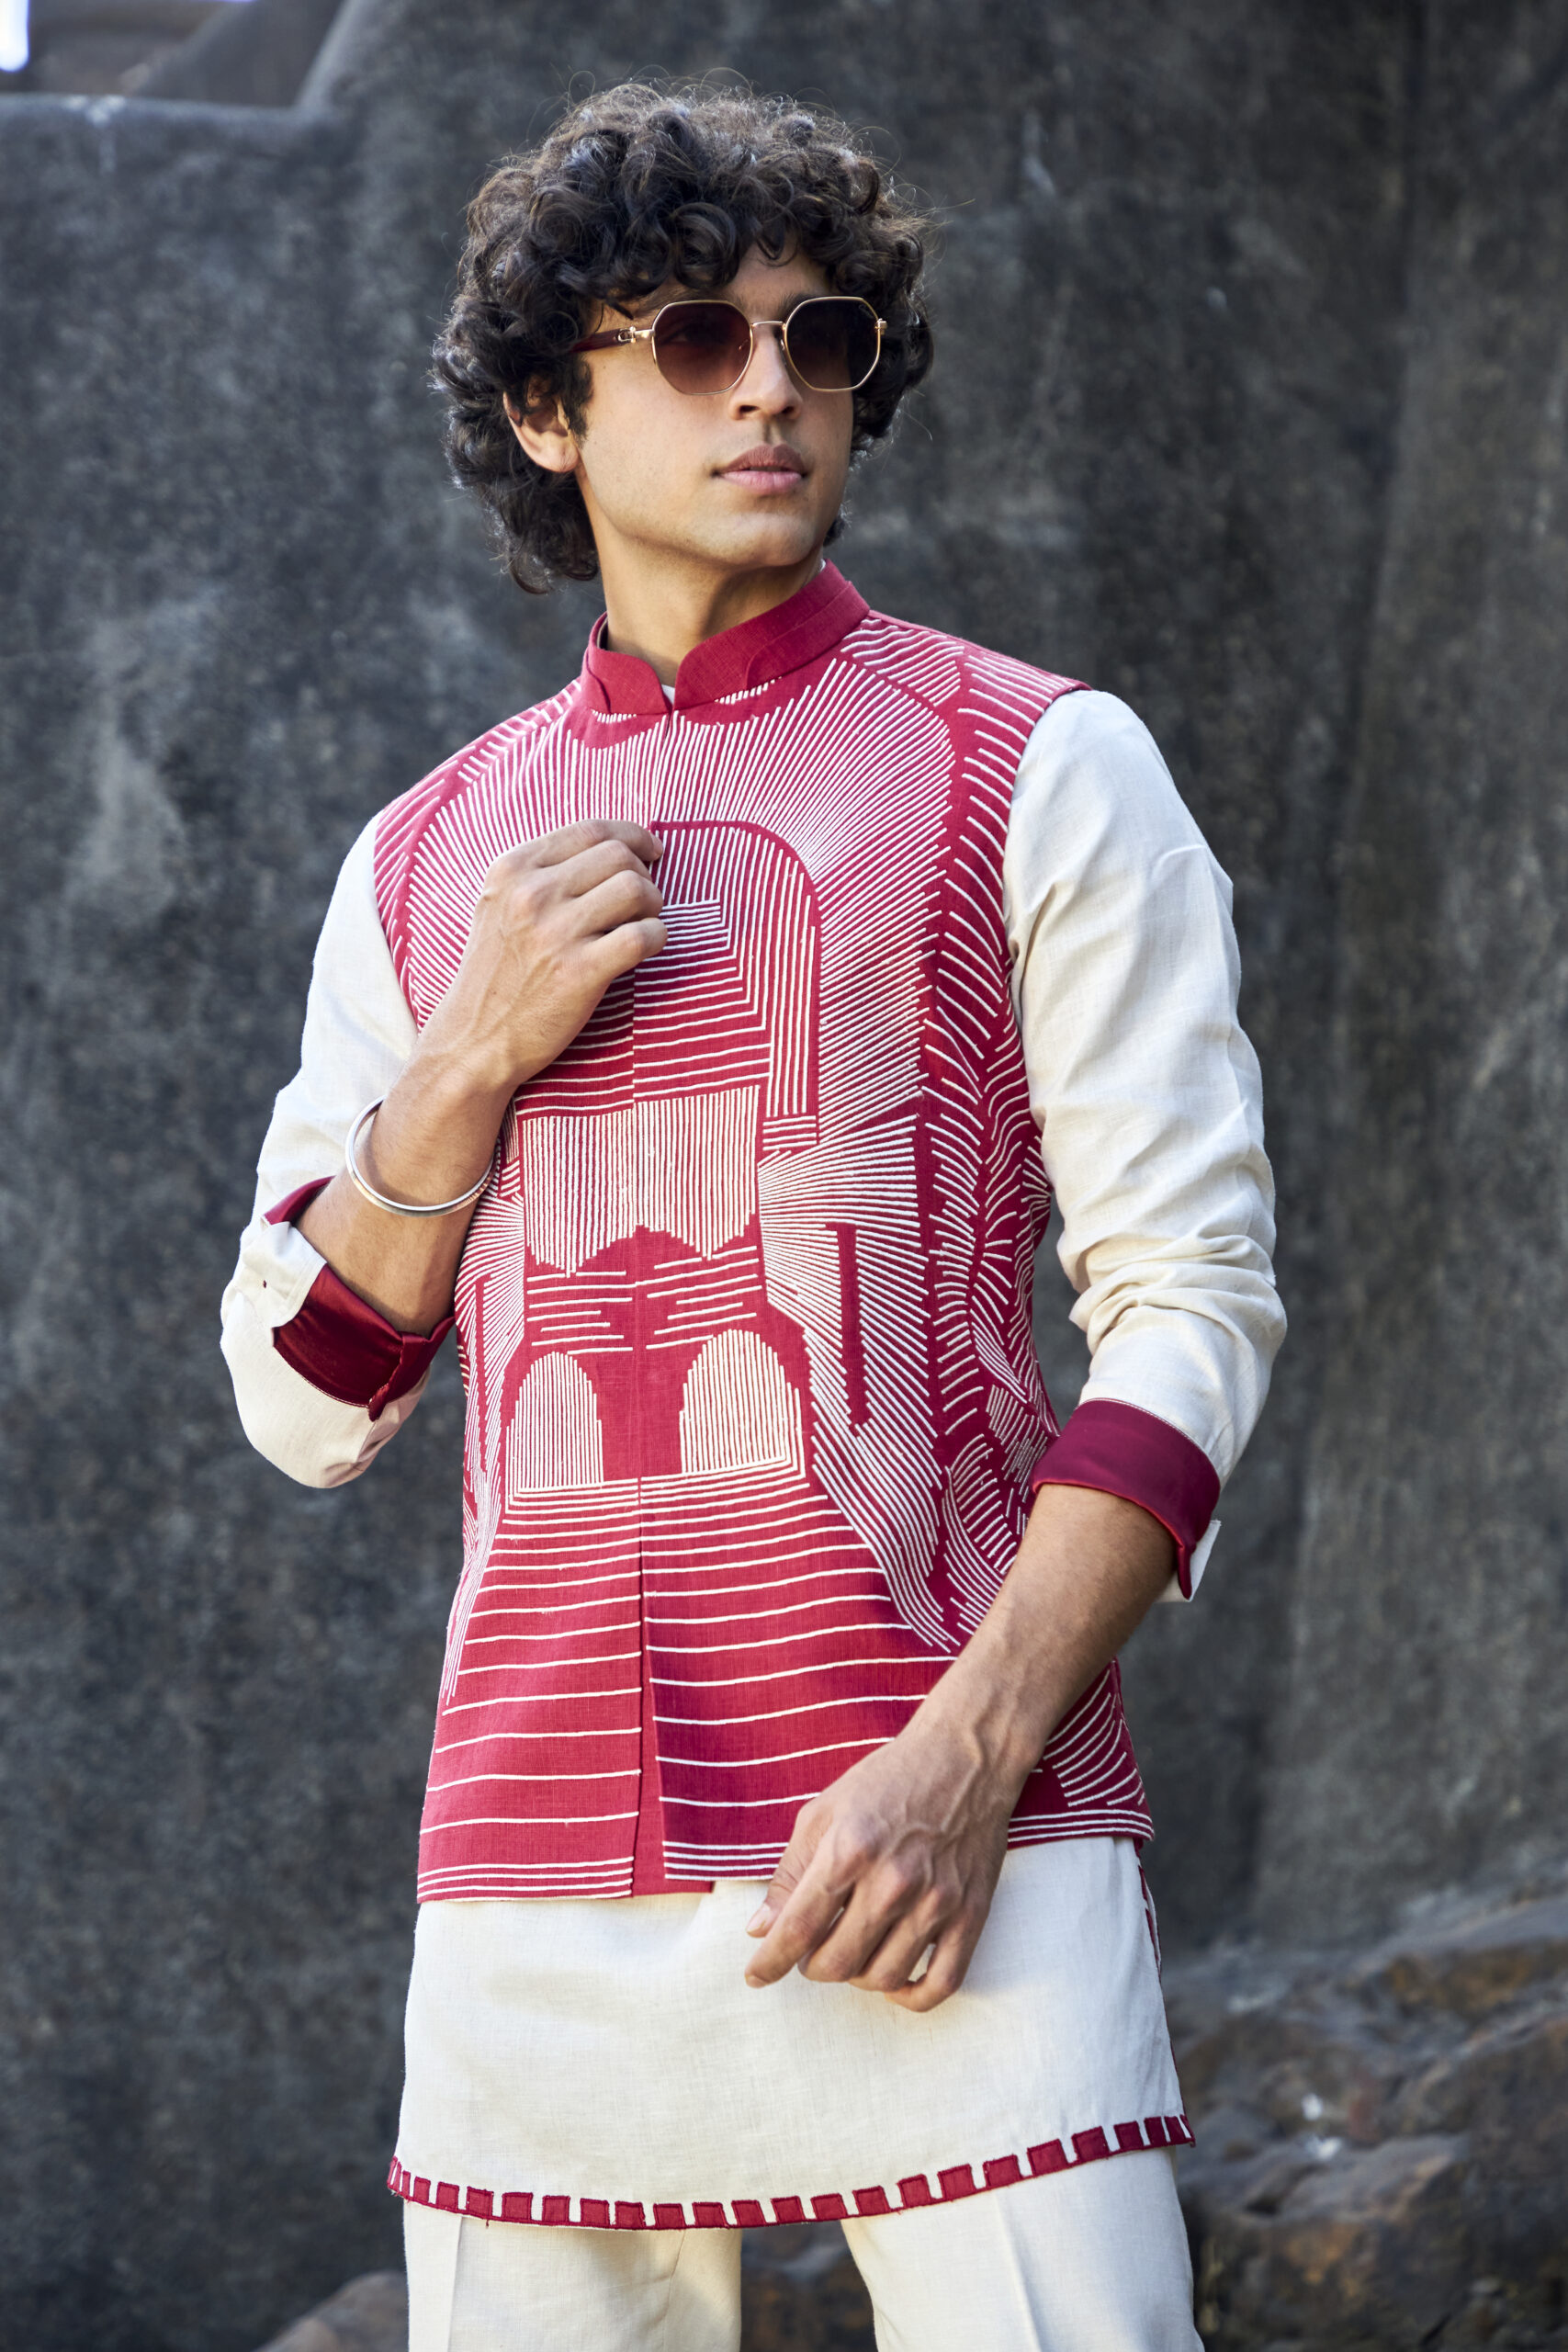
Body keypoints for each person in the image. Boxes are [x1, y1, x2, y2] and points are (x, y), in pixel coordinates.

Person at [222, 80, 1283, 2352]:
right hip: (530, 1893)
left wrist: (969, 1758)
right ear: (547, 410)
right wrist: (464, 1058)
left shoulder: (1035, 761)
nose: (769, 391)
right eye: (694, 339)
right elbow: (304, 1402)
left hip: (956, 1830)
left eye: (820, 341)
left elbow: (1192, 1301)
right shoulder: (424, 862)